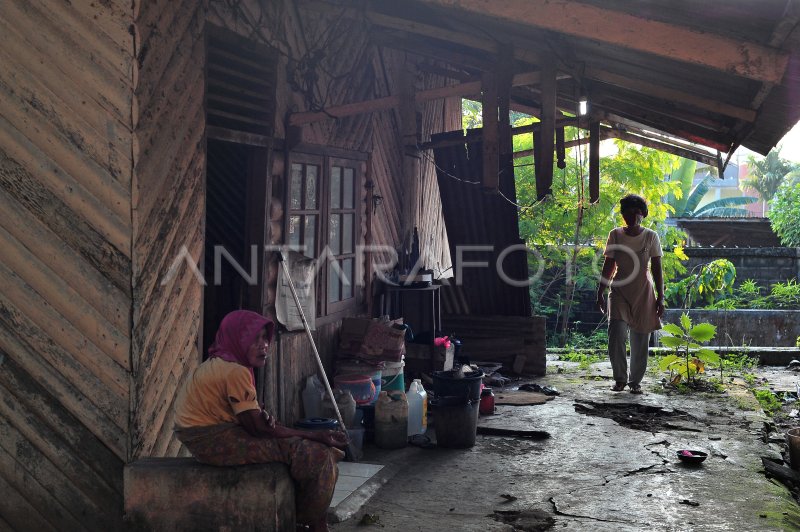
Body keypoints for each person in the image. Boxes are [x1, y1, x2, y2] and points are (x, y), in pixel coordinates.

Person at [174, 310, 348, 532]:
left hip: (205, 436)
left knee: (313, 450)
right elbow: (259, 429)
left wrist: (263, 418)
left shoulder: (221, 362)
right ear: (237, 339)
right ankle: (310, 522)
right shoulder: (234, 371)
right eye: (253, 339)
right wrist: (315, 435)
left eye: (265, 338)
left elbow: (254, 419)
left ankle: (311, 519)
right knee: (316, 454)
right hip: (211, 440)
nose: (263, 345)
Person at [596, 194, 665, 394]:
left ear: (643, 214)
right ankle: (619, 379)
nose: (633, 216)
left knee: (640, 338)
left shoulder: (651, 236)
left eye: (637, 212)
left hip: (643, 291)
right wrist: (600, 290)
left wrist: (661, 297)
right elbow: (608, 264)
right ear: (623, 215)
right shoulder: (615, 235)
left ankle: (635, 382)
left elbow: (657, 268)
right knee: (616, 334)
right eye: (628, 212)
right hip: (618, 290)